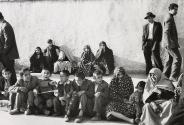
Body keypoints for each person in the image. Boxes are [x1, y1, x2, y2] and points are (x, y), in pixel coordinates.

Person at [163, 3, 182, 82]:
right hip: (170, 44)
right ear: (170, 9)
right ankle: (173, 77)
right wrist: (168, 44)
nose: (176, 11)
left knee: (169, 60)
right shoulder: (169, 18)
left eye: (177, 9)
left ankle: (165, 76)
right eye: (175, 9)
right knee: (178, 59)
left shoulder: (169, 17)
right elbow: (166, 32)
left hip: (169, 43)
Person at [0, 12, 19, 84]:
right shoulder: (2, 25)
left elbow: (8, 42)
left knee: (10, 72)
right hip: (3, 54)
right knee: (4, 72)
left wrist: (3, 53)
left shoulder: (5, 26)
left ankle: (14, 87)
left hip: (7, 54)